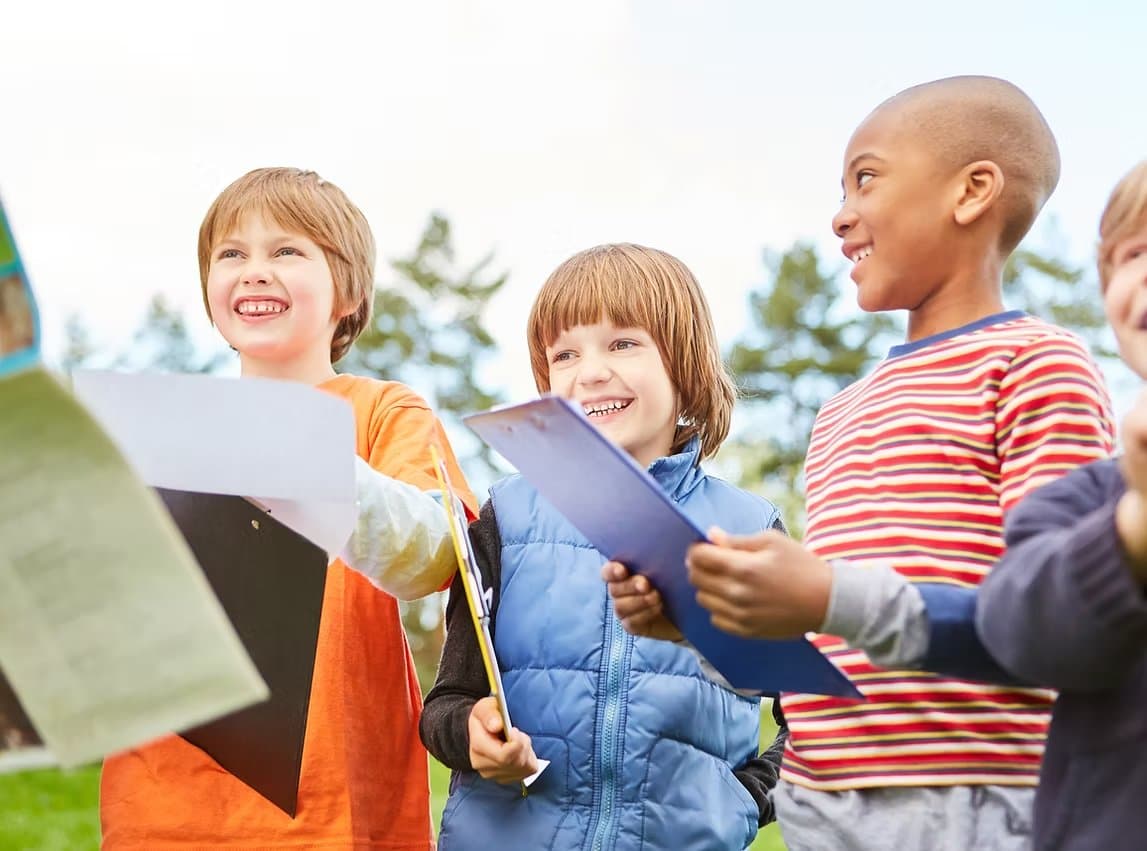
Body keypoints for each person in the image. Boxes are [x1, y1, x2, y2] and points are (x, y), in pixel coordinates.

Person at [607, 77, 1116, 851]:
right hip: (822, 798)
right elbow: (829, 640)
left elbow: (1061, 611)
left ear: (972, 191)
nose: (840, 214)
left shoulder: (1036, 363)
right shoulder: (840, 412)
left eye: (865, 178)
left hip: (976, 803)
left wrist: (824, 591)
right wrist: (700, 625)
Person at [100, 167, 476, 850]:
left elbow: (439, 553)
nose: (254, 270)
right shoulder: (163, 428)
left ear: (349, 291)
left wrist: (300, 456)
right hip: (161, 805)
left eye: (286, 251)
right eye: (231, 254)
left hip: (333, 803)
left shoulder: (382, 412)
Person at [420, 243, 788, 850]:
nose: (589, 372)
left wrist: (746, 798)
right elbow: (446, 702)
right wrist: (470, 732)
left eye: (622, 343)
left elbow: (815, 721)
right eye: (564, 353)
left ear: (685, 362)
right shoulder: (504, 517)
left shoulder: (749, 531)